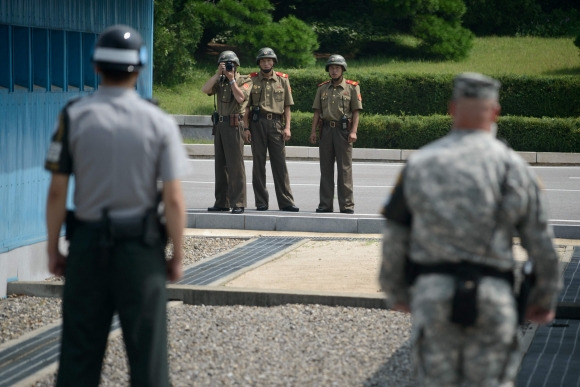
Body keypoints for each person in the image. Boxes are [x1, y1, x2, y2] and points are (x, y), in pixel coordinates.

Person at [379, 72, 562, 386]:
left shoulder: (420, 164)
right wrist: (543, 299)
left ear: (451, 109)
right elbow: (541, 242)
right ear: (495, 112)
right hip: (494, 299)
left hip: (434, 296)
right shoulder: (513, 168)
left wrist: (396, 291)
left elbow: (395, 235)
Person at [44, 25, 187, 387]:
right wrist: (178, 255)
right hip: (140, 249)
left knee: (78, 355)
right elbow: (172, 197)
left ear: (96, 66)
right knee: (148, 359)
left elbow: (57, 192)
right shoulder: (159, 121)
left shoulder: (73, 117)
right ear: (138, 69)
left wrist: (53, 248)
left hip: (88, 246)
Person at [243, 47, 299, 212]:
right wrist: (246, 128)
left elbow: (287, 106)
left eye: (269, 60)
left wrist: (287, 127)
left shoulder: (282, 80)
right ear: (259, 63)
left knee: (280, 164)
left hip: (275, 124)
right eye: (263, 60)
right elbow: (246, 107)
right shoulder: (251, 80)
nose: (266, 63)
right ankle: (261, 201)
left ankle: (286, 202)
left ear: (273, 62)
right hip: (257, 124)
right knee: (258, 164)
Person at [310, 54, 362, 214]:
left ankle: (347, 205)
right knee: (325, 169)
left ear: (342, 69)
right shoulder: (322, 88)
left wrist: (353, 131)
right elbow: (317, 112)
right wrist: (313, 131)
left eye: (337, 68)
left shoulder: (352, 87)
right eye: (331, 68)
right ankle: (325, 204)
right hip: (326, 130)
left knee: (344, 169)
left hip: (343, 131)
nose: (334, 71)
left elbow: (356, 112)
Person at [201, 50, 251, 214]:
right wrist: (218, 75)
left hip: (234, 124)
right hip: (220, 125)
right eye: (225, 64)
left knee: (235, 166)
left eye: (231, 64)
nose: (229, 67)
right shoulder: (219, 80)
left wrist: (231, 80)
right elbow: (205, 90)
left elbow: (240, 98)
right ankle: (222, 202)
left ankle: (238, 203)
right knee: (220, 166)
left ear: (236, 66)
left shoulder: (244, 80)